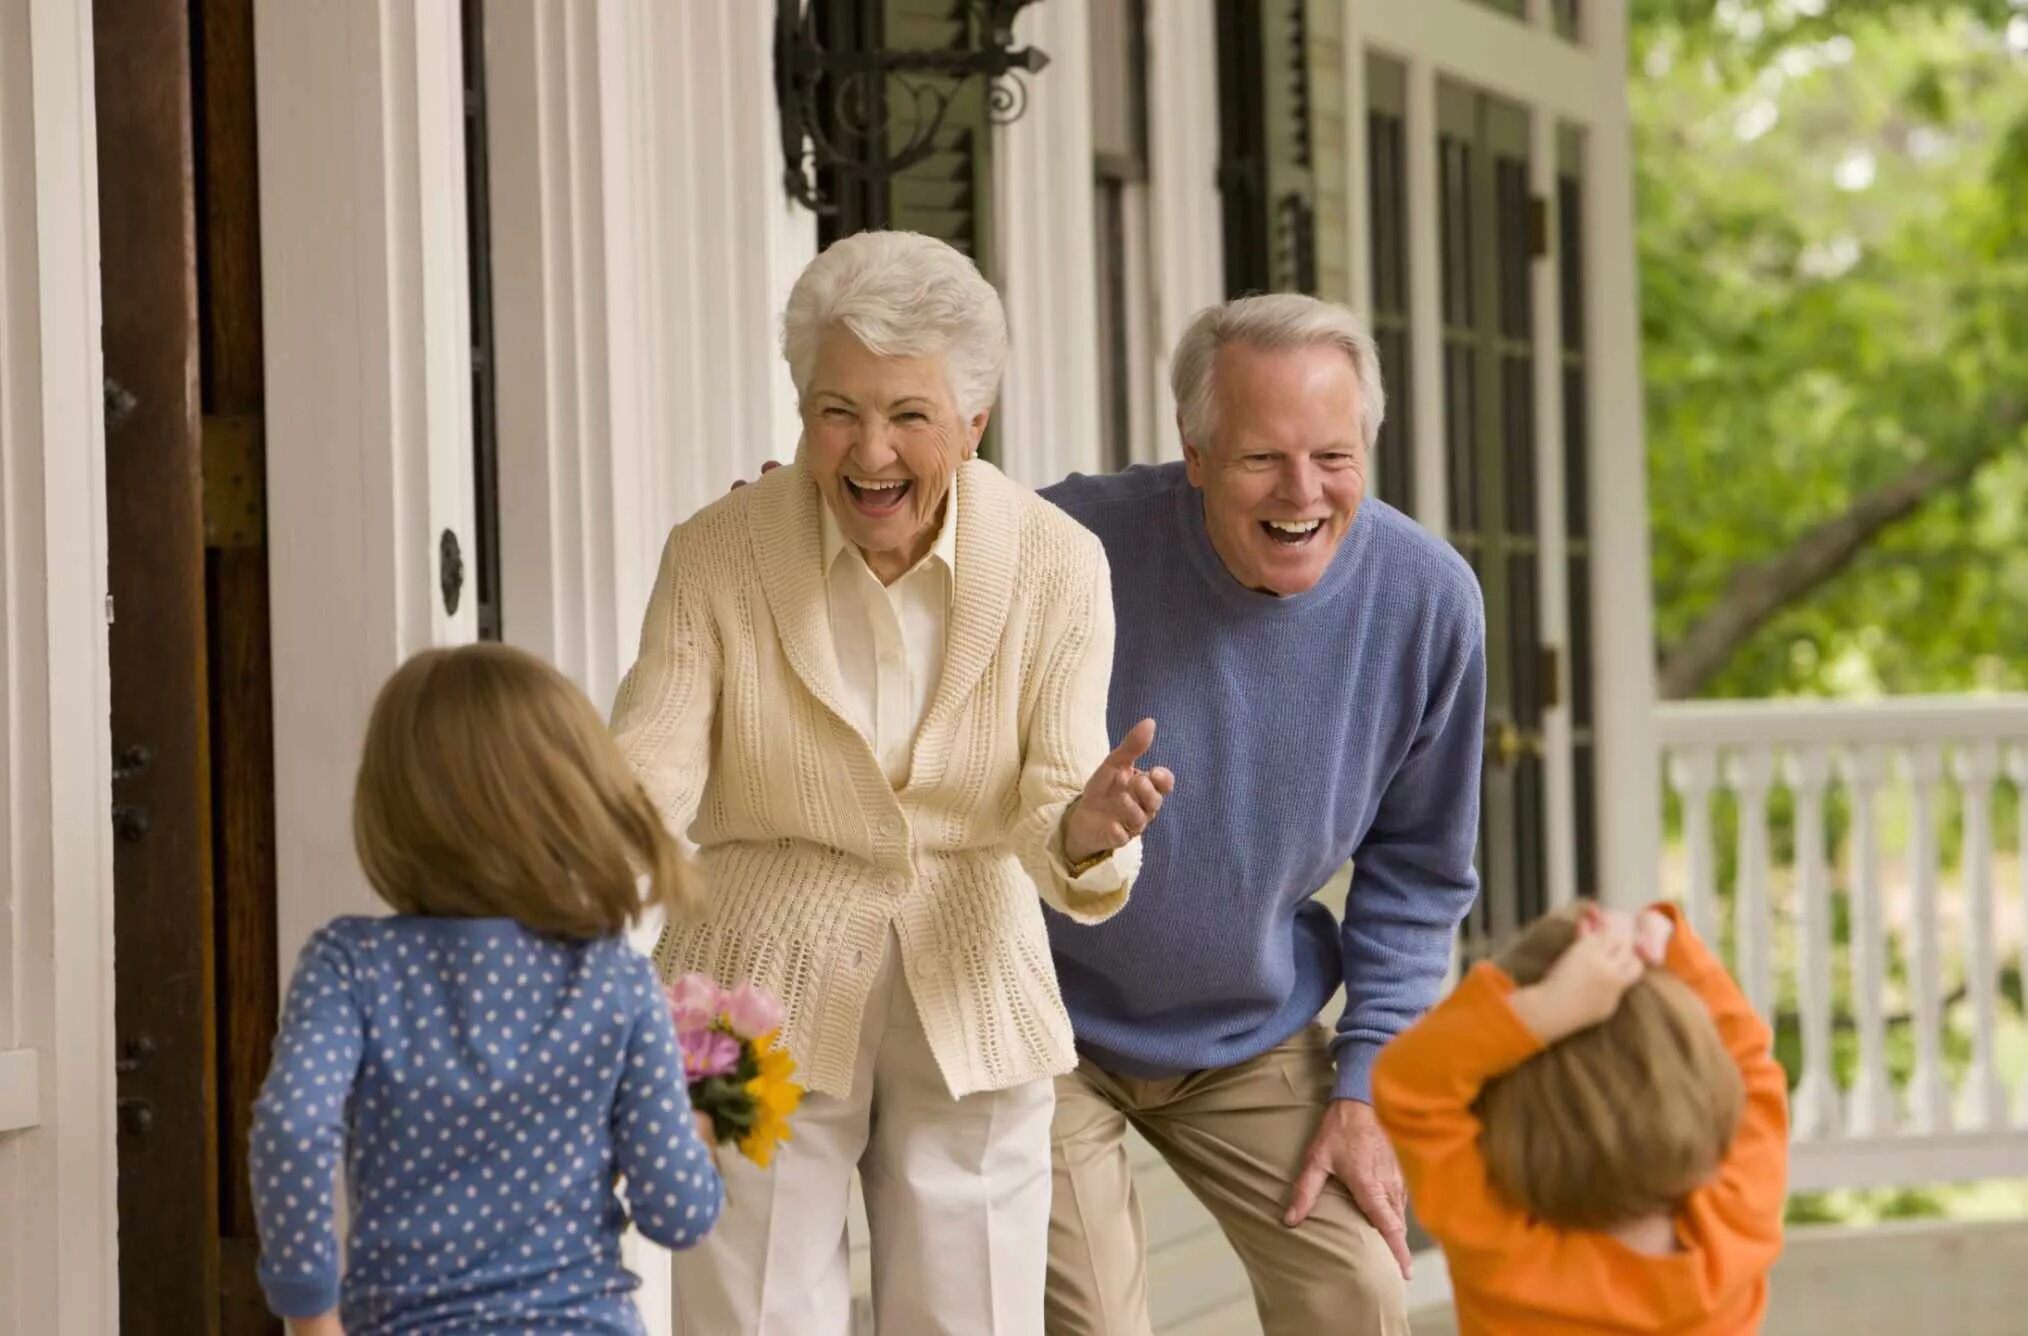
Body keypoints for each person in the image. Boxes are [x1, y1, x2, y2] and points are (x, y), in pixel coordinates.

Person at [610, 229, 1172, 1336]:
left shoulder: (1057, 562)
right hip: (747, 978)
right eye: (835, 409)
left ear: (974, 421)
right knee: (749, 1313)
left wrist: (1091, 829)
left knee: (976, 1314)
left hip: (971, 968)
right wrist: (546, 895)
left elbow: (1059, 792)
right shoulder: (716, 552)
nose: (869, 450)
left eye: (908, 415)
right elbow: (646, 770)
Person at [1037, 293, 1485, 1336]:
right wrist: (804, 515)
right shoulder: (1062, 544)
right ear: (1193, 453)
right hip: (1048, 1021)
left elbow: (1419, 873)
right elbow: (914, 548)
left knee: (1359, 1291)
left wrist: (1366, 1086)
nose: (1301, 492)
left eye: (1334, 456)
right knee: (1094, 1322)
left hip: (1251, 1028)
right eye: (1259, 460)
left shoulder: (1426, 601)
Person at [248, 643, 723, 1336]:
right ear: (573, 797)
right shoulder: (613, 983)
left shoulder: (352, 966)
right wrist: (699, 1136)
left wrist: (309, 1315)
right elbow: (676, 1215)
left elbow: (291, 1125)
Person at [1371, 901, 1789, 1334]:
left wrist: (1545, 1009)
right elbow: (1753, 1070)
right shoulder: (1739, 1221)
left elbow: (1410, 1085)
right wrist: (1667, 939)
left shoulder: (1505, 1256)